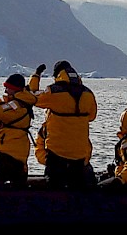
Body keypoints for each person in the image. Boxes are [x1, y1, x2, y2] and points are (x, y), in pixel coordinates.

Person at [29, 60, 97, 189]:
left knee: (54, 188)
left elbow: (33, 97)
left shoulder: (54, 91)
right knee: (77, 189)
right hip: (79, 153)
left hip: (56, 152)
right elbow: (92, 116)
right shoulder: (88, 93)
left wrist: (36, 76)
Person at [0, 74, 37, 188]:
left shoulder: (17, 106)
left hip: (9, 153)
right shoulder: (20, 102)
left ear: (15, 89)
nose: (5, 90)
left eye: (8, 88)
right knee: (18, 184)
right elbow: (3, 107)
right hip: (16, 151)